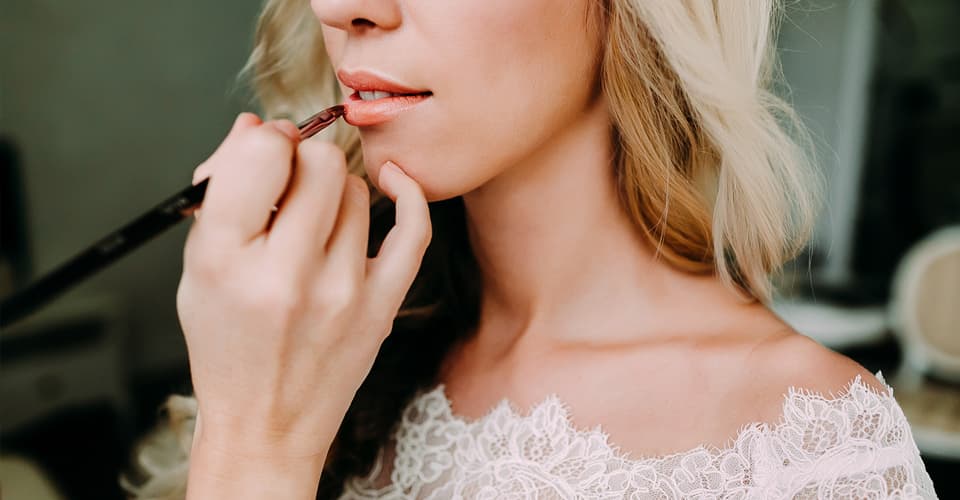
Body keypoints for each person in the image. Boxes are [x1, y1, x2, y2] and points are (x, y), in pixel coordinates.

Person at [122, 0, 939, 498]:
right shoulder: (327, 348)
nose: (343, 7)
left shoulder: (807, 450)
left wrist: (258, 451)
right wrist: (253, 433)